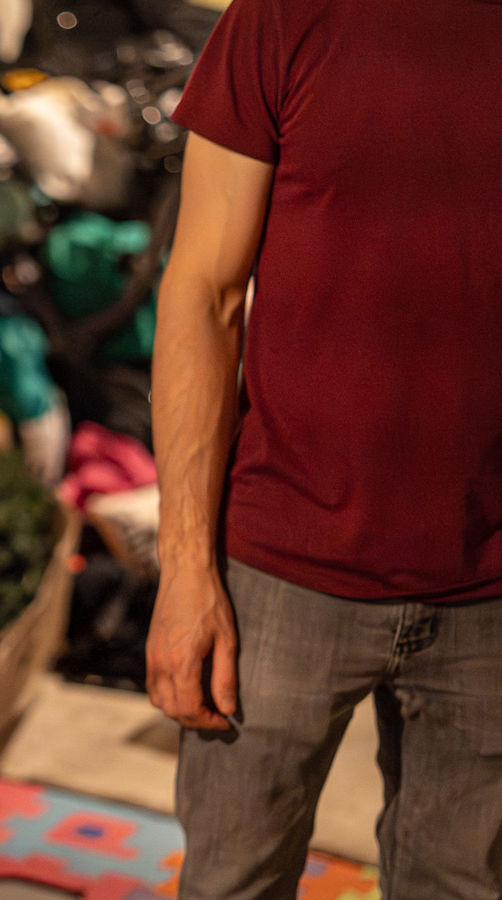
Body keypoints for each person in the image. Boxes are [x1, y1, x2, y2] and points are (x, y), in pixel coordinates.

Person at [145, 0, 502, 897]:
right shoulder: (282, 17)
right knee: (232, 881)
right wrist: (186, 571)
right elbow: (204, 293)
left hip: (493, 593)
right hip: (278, 574)